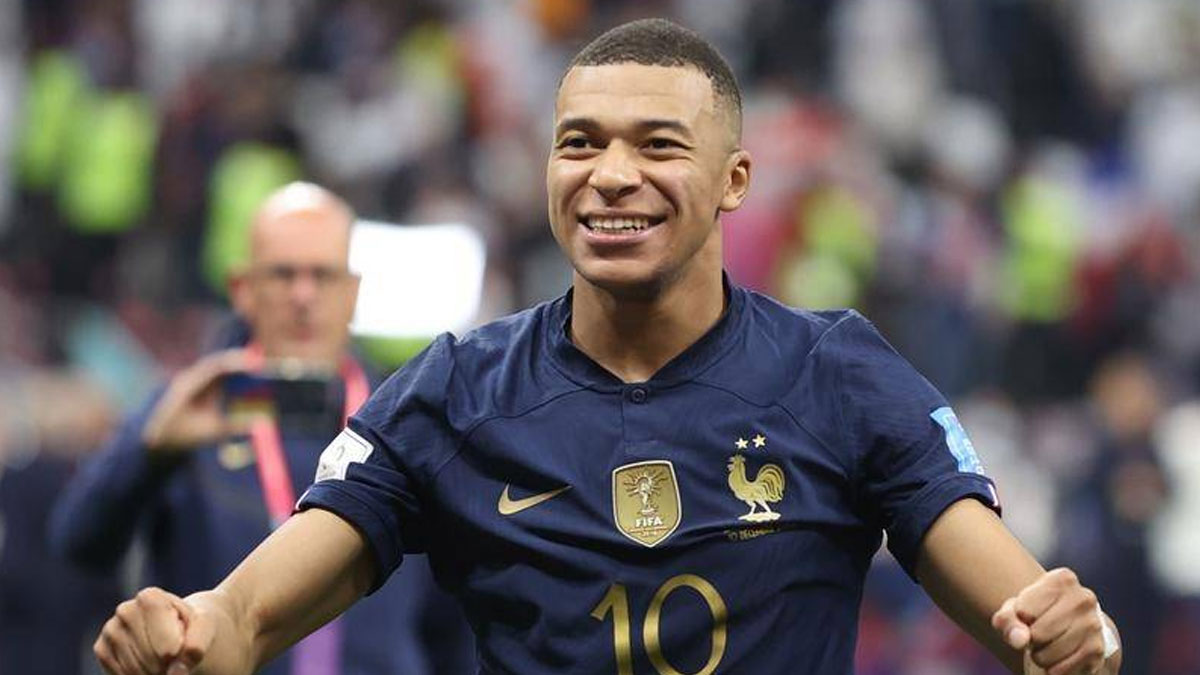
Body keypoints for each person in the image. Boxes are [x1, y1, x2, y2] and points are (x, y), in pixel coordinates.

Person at [92, 20, 1121, 675]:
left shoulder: (838, 377)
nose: (611, 174)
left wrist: (1083, 636)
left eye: (658, 145)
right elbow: (240, 621)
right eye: (578, 142)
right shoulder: (455, 393)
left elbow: (1032, 618)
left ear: (735, 180)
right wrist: (186, 632)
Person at [53, 182, 475, 675]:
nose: (303, 295)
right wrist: (148, 452)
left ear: (353, 292)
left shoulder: (401, 419)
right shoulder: (194, 406)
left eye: (322, 275)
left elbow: (454, 614)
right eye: (282, 274)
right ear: (243, 290)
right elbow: (79, 545)